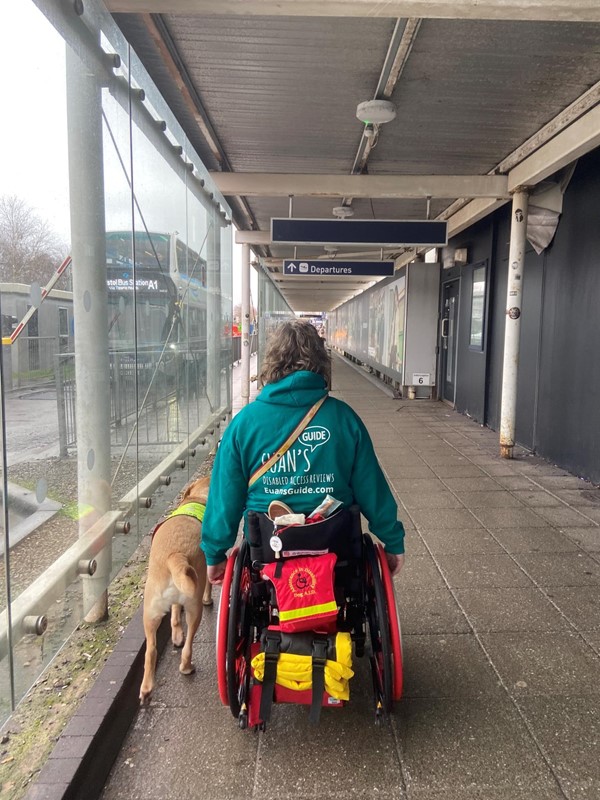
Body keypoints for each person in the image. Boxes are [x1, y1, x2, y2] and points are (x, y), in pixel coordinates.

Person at [201, 319, 405, 584]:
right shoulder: (344, 419)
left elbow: (224, 497)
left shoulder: (243, 424)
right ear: (321, 362)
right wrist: (392, 541)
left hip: (268, 550)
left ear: (271, 362)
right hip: (336, 549)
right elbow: (372, 490)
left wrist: (214, 554)